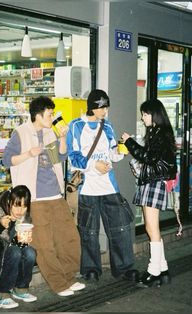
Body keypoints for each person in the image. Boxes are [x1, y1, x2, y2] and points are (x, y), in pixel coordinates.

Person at [2, 95, 85, 297]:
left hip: (55, 195)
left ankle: (68, 277)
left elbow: (61, 157)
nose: (52, 118)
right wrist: (29, 154)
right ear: (38, 115)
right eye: (49, 114)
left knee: (69, 238)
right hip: (35, 199)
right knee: (44, 244)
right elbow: (7, 160)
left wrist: (63, 137)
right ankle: (58, 283)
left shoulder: (50, 133)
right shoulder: (20, 133)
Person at [66, 89, 139, 283]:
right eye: (102, 108)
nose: (105, 111)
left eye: (106, 107)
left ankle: (125, 268)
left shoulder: (107, 127)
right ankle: (90, 269)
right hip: (87, 187)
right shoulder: (76, 126)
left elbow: (112, 153)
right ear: (92, 107)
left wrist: (120, 150)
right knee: (88, 231)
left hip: (109, 185)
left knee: (120, 229)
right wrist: (93, 165)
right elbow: (73, 157)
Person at [121, 98, 177, 287]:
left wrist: (130, 142)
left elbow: (148, 157)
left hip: (153, 183)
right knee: (152, 228)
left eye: (145, 114)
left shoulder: (160, 134)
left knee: (151, 228)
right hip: (153, 183)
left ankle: (154, 271)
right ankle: (163, 269)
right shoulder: (160, 132)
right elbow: (151, 157)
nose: (143, 117)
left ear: (154, 115)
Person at [0, 185, 37, 309]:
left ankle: (20, 289)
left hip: (7, 254)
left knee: (30, 252)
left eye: (24, 206)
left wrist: (23, 241)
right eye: (16, 205)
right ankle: (1, 293)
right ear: (9, 202)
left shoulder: (24, 220)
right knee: (15, 252)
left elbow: (15, 245)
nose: (20, 211)